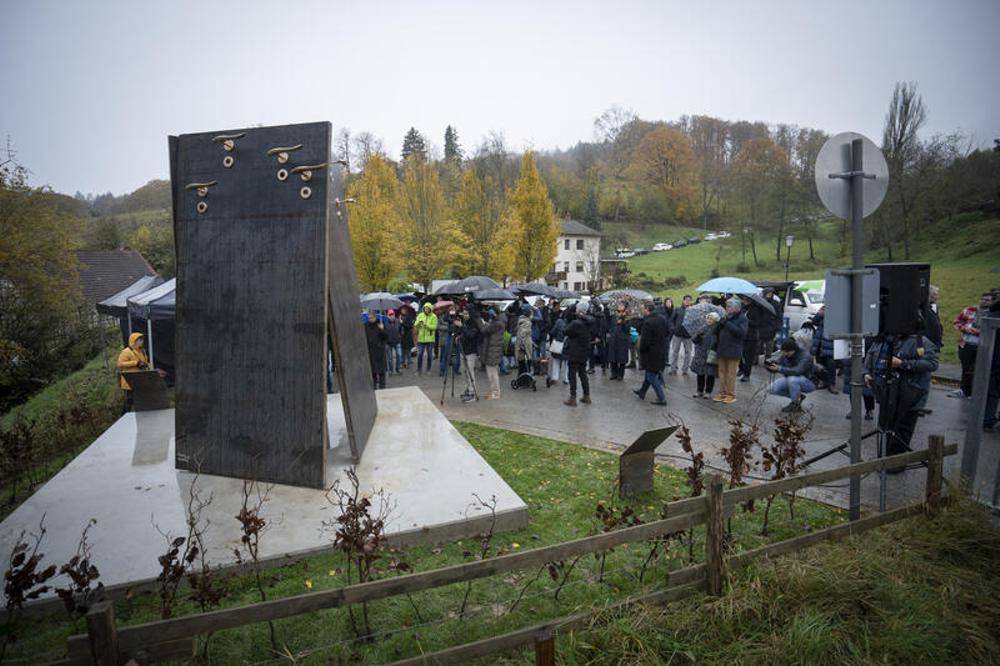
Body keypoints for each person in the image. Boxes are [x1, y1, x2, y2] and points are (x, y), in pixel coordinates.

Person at [864, 332, 939, 467]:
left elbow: (932, 363)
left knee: (901, 431)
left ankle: (895, 465)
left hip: (910, 395)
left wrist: (903, 364)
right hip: (886, 393)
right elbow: (870, 354)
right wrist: (866, 373)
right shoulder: (883, 338)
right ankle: (884, 461)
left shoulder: (920, 341)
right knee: (885, 428)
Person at [950, 293, 992, 399]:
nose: (984, 301)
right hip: (966, 344)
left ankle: (975, 392)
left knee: (978, 369)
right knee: (966, 368)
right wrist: (965, 328)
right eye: (982, 298)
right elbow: (956, 322)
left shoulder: (991, 314)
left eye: (987, 300)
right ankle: (964, 390)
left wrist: (977, 332)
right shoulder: (970, 309)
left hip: (983, 345)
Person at [766, 338, 816, 413]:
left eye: (787, 352)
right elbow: (778, 363)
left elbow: (798, 371)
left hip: (808, 381)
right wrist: (770, 366)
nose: (785, 354)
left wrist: (779, 369)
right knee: (771, 389)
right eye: (784, 352)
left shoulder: (806, 356)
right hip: (791, 379)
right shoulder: (785, 355)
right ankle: (798, 397)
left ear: (793, 350)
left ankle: (795, 404)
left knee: (793, 380)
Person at [633, 302, 668, 405]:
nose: (642, 311)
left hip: (651, 353)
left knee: (651, 375)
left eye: (642, 309)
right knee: (650, 373)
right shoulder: (662, 319)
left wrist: (641, 350)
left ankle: (661, 398)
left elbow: (645, 341)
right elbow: (667, 332)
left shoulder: (648, 322)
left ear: (647, 310)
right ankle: (642, 392)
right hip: (661, 350)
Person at [713, 298, 748, 404]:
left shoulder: (742, 319)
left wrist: (726, 323)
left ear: (736, 308)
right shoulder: (726, 317)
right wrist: (719, 322)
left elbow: (741, 333)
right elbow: (715, 332)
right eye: (726, 306)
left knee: (731, 373)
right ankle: (722, 392)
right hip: (722, 348)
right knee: (721, 373)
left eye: (729, 306)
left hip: (734, 349)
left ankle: (730, 394)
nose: (726, 308)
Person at [563, 301, 592, 406]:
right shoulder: (589, 322)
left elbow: (565, 331)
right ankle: (586, 395)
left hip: (574, 352)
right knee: (583, 374)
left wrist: (568, 319)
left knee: (572, 375)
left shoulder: (576, 323)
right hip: (584, 352)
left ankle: (572, 397)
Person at [475, 307, 505, 400]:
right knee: (492, 372)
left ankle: (496, 393)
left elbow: (484, 330)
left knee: (492, 373)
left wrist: (480, 322)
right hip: (492, 350)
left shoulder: (498, 323)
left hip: (493, 351)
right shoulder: (497, 322)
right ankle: (494, 391)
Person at [117, 332, 150, 413]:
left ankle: (141, 416)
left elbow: (145, 362)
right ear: (133, 341)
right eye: (139, 340)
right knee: (129, 401)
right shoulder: (126, 351)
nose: (142, 341)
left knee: (140, 400)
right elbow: (120, 364)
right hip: (129, 381)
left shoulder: (142, 351)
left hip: (139, 380)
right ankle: (123, 418)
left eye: (142, 340)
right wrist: (135, 363)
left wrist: (150, 367)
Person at [808, 306, 838, 393]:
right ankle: (822, 381)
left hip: (830, 342)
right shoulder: (824, 308)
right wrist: (819, 314)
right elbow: (814, 322)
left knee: (831, 364)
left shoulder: (838, 310)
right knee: (820, 364)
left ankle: (831, 384)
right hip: (819, 342)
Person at [690, 312, 720, 399]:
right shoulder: (702, 328)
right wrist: (698, 336)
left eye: (711, 319)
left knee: (710, 374)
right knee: (700, 373)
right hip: (701, 353)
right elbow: (694, 340)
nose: (709, 320)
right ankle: (699, 390)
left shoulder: (717, 330)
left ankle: (708, 391)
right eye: (708, 318)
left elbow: (718, 341)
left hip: (711, 353)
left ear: (715, 320)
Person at [456, 310, 481, 402]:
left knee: (470, 372)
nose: (465, 315)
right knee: (465, 372)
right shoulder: (465, 323)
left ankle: (472, 393)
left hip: (471, 351)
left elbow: (470, 335)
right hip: (463, 350)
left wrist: (462, 326)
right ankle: (468, 388)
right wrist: (459, 336)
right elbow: (464, 334)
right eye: (464, 313)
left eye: (467, 313)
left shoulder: (474, 324)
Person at [738, 295, 761, 382]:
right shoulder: (742, 308)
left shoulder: (756, 309)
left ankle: (747, 374)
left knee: (748, 356)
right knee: (740, 354)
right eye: (743, 299)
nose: (744, 300)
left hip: (751, 336)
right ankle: (741, 368)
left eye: (746, 299)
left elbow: (757, 323)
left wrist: (747, 320)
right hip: (741, 334)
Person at [669, 295, 694, 376]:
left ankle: (685, 370)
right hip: (677, 334)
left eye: (689, 300)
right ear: (683, 301)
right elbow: (672, 320)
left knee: (688, 353)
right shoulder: (677, 309)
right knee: (675, 352)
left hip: (688, 335)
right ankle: (673, 369)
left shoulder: (693, 310)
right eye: (686, 300)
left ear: (691, 301)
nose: (687, 301)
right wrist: (673, 328)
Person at [606, 303, 631, 381]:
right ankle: (614, 373)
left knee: (622, 358)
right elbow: (610, 325)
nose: (620, 306)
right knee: (613, 357)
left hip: (622, 340)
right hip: (613, 338)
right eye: (619, 305)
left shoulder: (627, 317)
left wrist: (623, 322)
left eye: (621, 305)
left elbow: (628, 329)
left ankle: (621, 374)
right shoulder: (613, 315)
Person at [364, 312, 388, 389]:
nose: (369, 319)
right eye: (368, 318)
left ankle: (382, 387)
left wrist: (382, 329)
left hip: (380, 351)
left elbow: (386, 337)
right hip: (370, 351)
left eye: (371, 318)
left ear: (374, 317)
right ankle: (373, 386)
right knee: (372, 370)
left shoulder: (381, 323)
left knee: (381, 371)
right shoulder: (365, 325)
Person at [547, 308, 569, 385]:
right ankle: (566, 378)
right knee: (567, 362)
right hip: (568, 345)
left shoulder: (559, 321)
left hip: (558, 344)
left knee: (556, 361)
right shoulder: (573, 322)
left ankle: (555, 377)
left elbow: (553, 332)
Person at [414, 302, 437, 375]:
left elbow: (434, 327)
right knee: (420, 354)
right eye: (425, 308)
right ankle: (418, 369)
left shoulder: (434, 316)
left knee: (429, 355)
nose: (426, 309)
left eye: (427, 308)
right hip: (421, 339)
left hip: (430, 339)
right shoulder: (420, 315)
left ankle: (428, 369)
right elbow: (415, 325)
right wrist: (419, 323)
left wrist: (426, 325)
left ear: (430, 309)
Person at [515, 303, 534, 376]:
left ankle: (521, 377)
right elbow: (523, 333)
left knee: (521, 362)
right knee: (527, 362)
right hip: (525, 344)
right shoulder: (527, 322)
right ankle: (525, 378)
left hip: (520, 343)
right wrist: (523, 344)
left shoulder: (521, 320)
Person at [384, 310, 403, 375]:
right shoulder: (384, 322)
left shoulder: (398, 321)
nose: (391, 316)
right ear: (387, 316)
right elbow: (383, 333)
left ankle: (398, 368)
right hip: (388, 342)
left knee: (399, 355)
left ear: (394, 315)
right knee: (389, 358)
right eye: (390, 315)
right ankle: (391, 370)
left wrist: (400, 336)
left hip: (397, 341)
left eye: (392, 314)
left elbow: (401, 330)